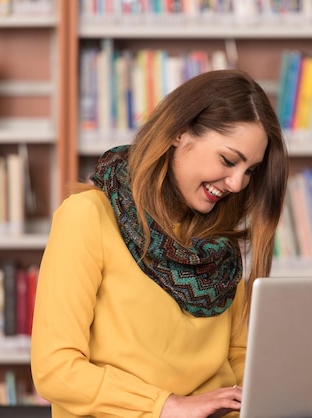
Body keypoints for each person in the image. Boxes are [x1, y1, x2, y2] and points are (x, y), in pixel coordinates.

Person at [30, 69, 289, 418]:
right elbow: (55, 370)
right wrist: (165, 406)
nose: (238, 184)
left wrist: (278, 399)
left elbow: (238, 359)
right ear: (180, 132)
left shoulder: (220, 243)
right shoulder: (87, 217)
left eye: (250, 171)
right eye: (228, 161)